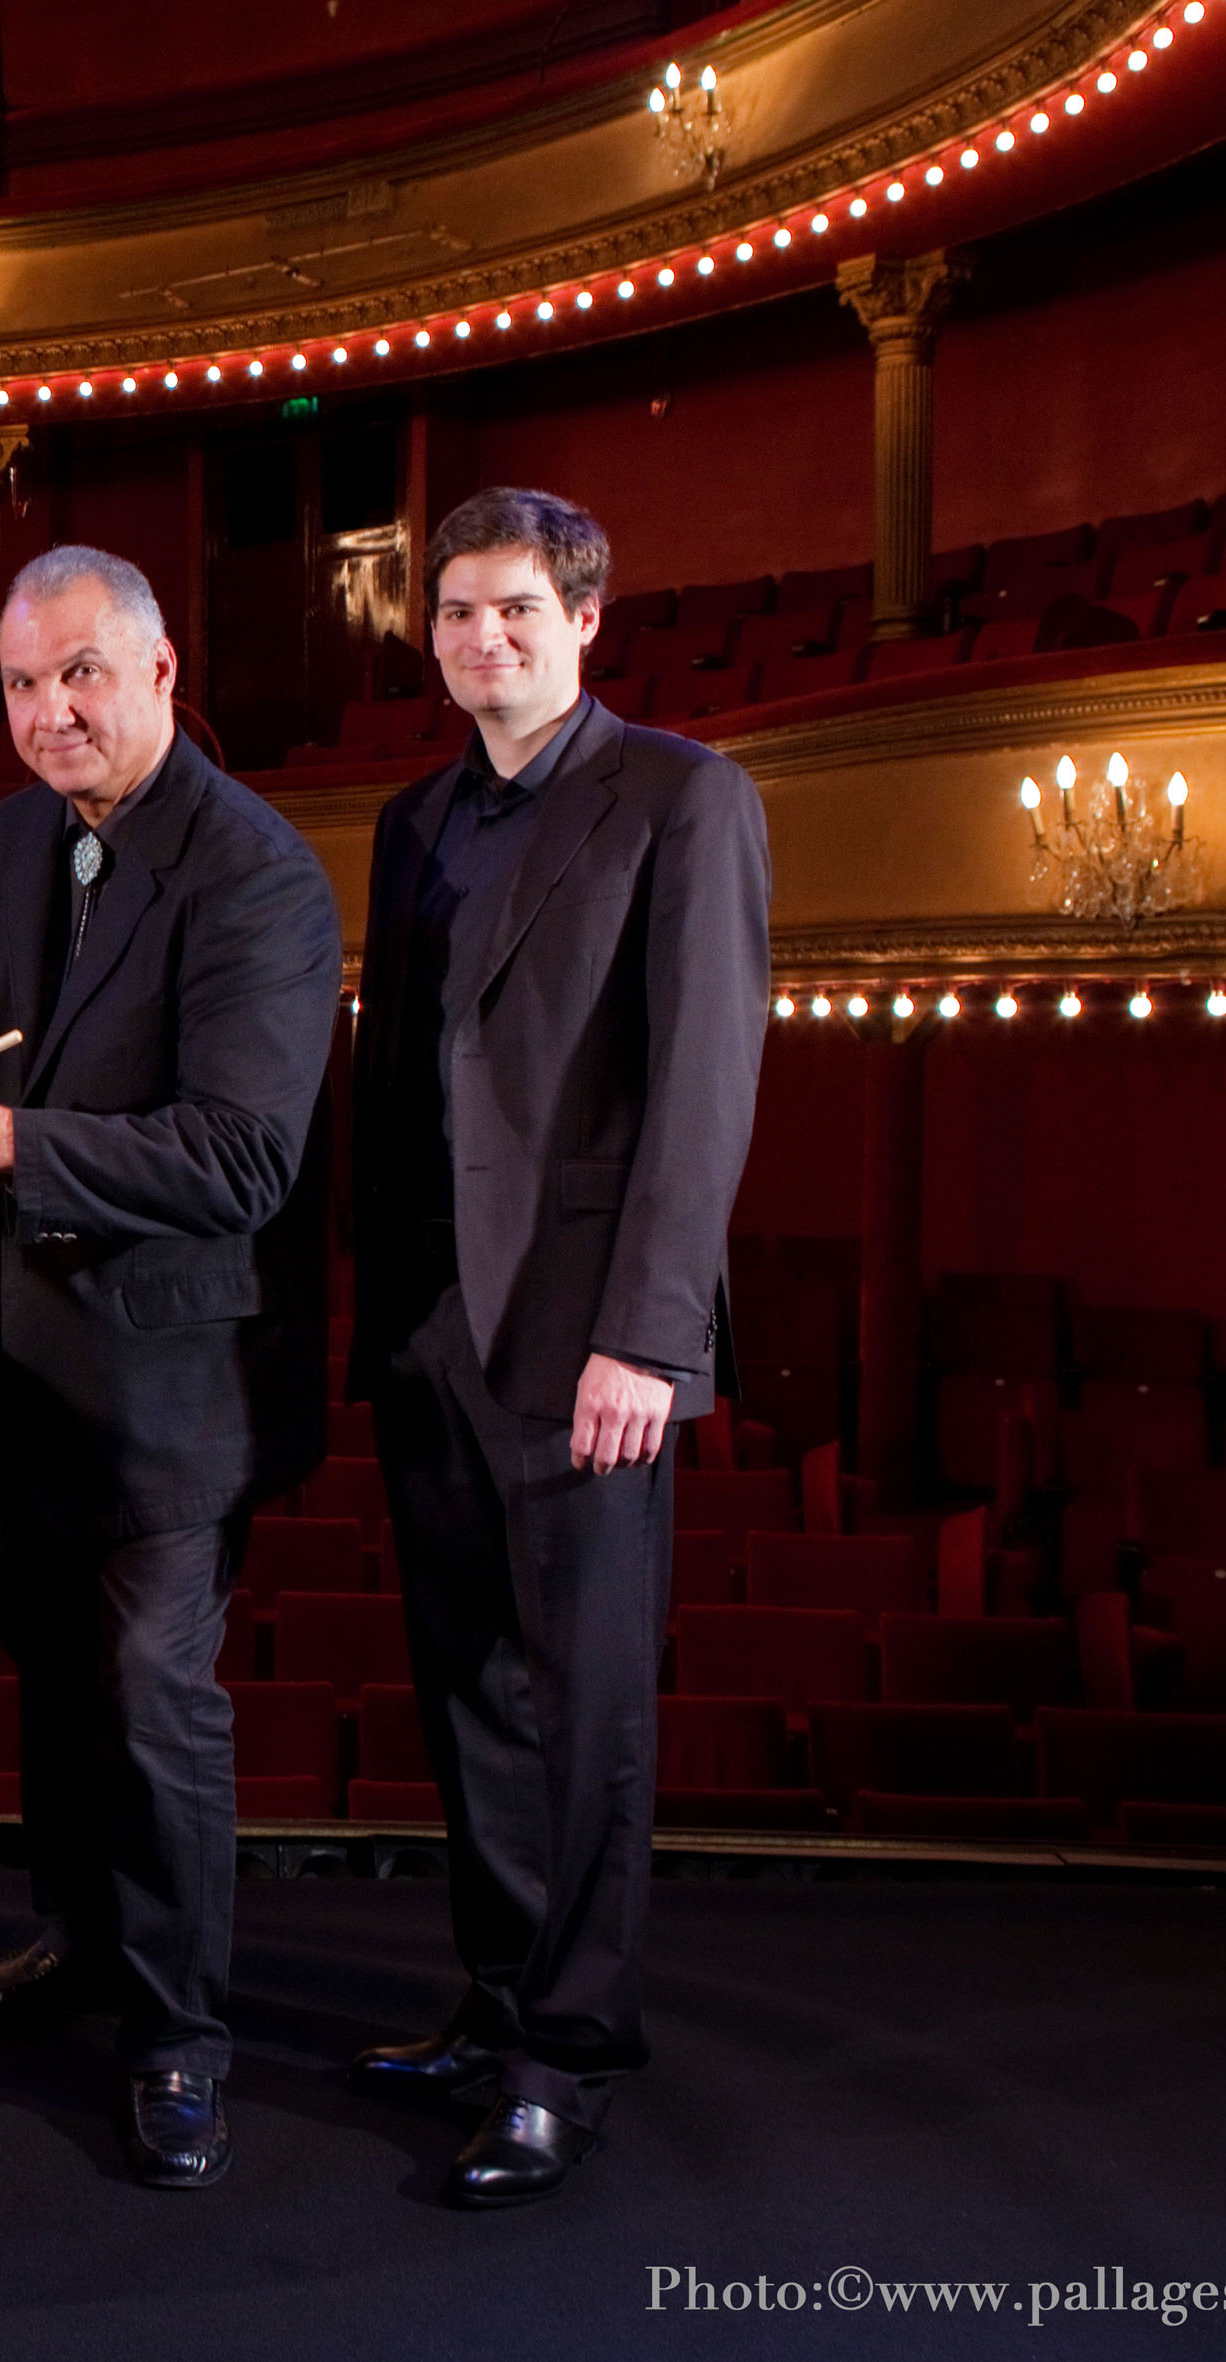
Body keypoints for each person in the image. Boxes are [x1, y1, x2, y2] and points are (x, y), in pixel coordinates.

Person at [0, 547, 342, 2190]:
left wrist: (1, 1139)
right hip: (29, 1353)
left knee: (154, 1710)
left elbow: (241, 1158)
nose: (47, 711)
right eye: (18, 685)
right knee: (53, 1680)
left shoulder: (254, 871)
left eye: (77, 675)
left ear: (157, 670)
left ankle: (181, 2036)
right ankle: (75, 1940)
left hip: (172, 1381)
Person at [343, 486, 769, 2207]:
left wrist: (647, 1340)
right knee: (469, 1692)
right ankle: (496, 1994)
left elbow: (701, 1084)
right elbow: (397, 1091)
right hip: (437, 1324)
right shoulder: (409, 814)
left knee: (584, 1705)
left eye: (515, 610)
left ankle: (565, 2056)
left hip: (588, 1335)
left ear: (584, 619)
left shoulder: (682, 793)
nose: (481, 639)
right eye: (455, 612)